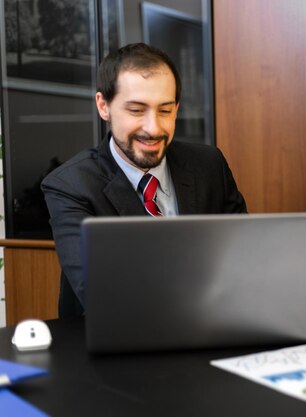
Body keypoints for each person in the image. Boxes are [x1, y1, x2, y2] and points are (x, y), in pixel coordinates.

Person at [41, 43, 247, 317]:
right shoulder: (70, 185)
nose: (153, 128)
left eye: (165, 111)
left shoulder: (208, 165)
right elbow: (103, 295)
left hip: (211, 333)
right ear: (104, 106)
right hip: (115, 348)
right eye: (137, 110)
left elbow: (245, 261)